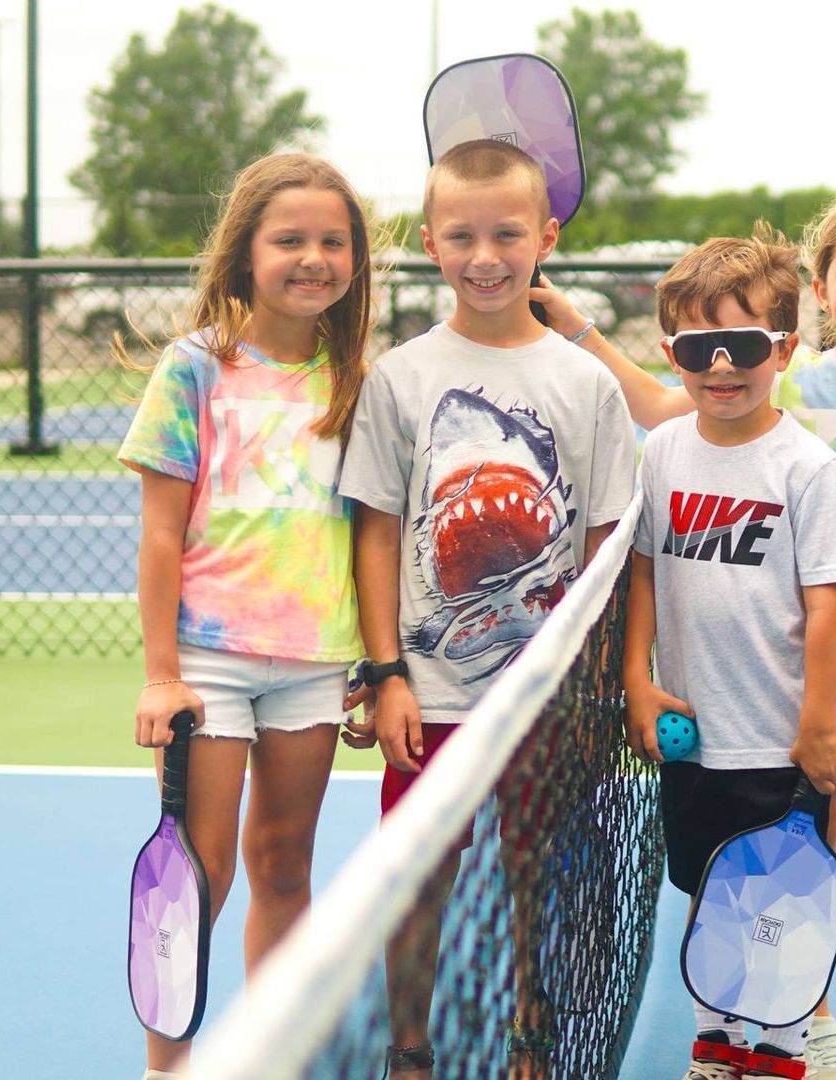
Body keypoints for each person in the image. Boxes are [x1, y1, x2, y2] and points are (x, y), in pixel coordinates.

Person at [534, 190, 836, 1080]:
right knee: (797, 860)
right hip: (794, 669)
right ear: (821, 295)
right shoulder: (784, 381)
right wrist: (576, 330)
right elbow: (665, 400)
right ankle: (806, 1032)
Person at [338, 138, 636, 1079]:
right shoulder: (400, 377)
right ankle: (409, 1052)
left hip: (547, 700)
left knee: (534, 876)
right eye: (462, 235)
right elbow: (378, 529)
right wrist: (387, 673)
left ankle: (533, 1035)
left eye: (508, 233)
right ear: (431, 242)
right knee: (418, 881)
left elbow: (603, 546)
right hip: (427, 698)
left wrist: (591, 682)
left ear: (545, 236)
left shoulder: (585, 384)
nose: (486, 255)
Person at [120, 152, 381, 1080]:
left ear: (354, 260)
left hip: (314, 664)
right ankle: (170, 1066)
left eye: (331, 242)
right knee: (201, 875)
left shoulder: (358, 379)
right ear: (245, 255)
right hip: (210, 662)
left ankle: (270, 1059)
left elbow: (367, 532)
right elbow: (159, 535)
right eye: (289, 240)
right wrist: (162, 672)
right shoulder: (194, 370)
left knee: (282, 866)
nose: (312, 258)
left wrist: (373, 663)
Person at [622, 224, 836, 1080]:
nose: (721, 367)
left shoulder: (807, 468)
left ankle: (779, 1054)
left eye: (744, 345)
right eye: (699, 348)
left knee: (777, 910)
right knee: (708, 898)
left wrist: (816, 727)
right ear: (670, 351)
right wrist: (635, 683)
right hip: (694, 735)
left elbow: (826, 608)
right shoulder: (662, 451)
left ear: (785, 348)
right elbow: (642, 576)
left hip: (781, 742)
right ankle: (717, 1047)